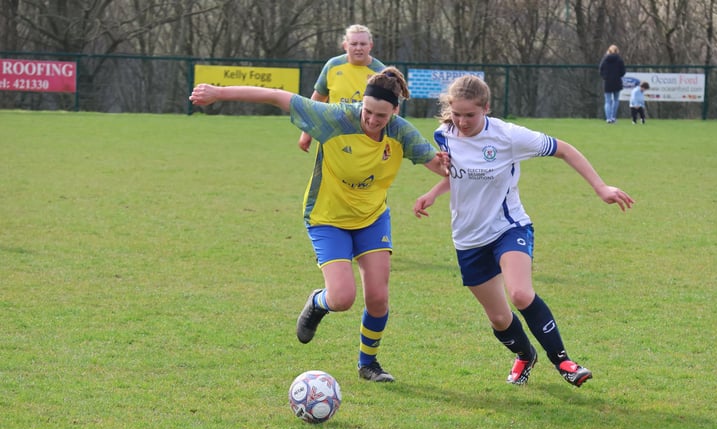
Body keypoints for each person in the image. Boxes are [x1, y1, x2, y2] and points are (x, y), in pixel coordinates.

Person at [189, 67, 449, 383]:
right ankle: (317, 302)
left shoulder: (401, 132)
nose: (372, 120)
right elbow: (276, 96)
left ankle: (368, 363)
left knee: (378, 298)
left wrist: (452, 164)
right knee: (341, 298)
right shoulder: (335, 118)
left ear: (395, 111)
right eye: (367, 111)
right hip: (327, 218)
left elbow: (440, 167)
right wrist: (219, 93)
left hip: (371, 219)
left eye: (381, 115)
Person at [413, 75, 634, 387]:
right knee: (499, 319)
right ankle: (524, 355)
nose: (462, 122)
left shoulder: (509, 136)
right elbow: (462, 174)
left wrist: (600, 187)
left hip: (509, 226)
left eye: (470, 115)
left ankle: (565, 362)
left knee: (520, 293)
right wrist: (433, 194)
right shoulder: (443, 135)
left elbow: (565, 150)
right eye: (457, 114)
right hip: (467, 237)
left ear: (486, 109)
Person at [298, 24, 385, 153]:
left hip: (366, 141)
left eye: (363, 44)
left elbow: (391, 111)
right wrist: (307, 132)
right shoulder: (333, 66)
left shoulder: (381, 73)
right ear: (345, 45)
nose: (358, 48)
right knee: (326, 173)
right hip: (333, 138)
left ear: (370, 46)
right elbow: (317, 100)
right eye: (354, 44)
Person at [599, 44, 626, 124]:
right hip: (617, 81)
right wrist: (618, 76)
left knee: (607, 101)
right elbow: (623, 71)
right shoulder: (619, 60)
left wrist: (605, 77)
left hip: (607, 82)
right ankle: (613, 117)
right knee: (616, 100)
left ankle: (608, 118)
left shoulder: (605, 59)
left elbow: (600, 70)